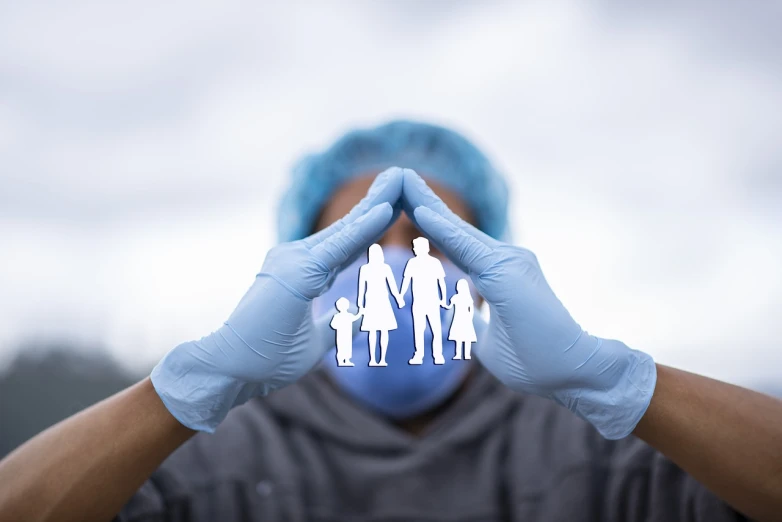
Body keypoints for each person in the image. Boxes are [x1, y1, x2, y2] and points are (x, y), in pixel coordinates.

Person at [0, 121, 781, 522]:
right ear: (306, 268)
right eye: (362, 241)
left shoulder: (603, 455)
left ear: (487, 274)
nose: (399, 262)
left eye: (433, 239)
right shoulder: (212, 459)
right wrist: (185, 391)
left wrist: (618, 382)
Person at [399, 237, 448, 365]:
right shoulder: (412, 263)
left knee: (435, 330)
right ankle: (419, 354)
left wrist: (442, 298)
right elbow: (406, 281)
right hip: (418, 303)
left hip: (432, 302)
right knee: (419, 330)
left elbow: (441, 282)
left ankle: (437, 355)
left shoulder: (434, 263)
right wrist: (400, 295)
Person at [357, 243, 404, 366]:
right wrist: (361, 305)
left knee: (384, 332)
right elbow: (362, 288)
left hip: (383, 302)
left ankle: (382, 358)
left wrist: (398, 298)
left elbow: (392, 286)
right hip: (371, 303)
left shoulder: (385, 268)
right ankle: (373, 358)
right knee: (372, 332)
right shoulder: (365, 269)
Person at [446, 278, 477, 360]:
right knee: (458, 339)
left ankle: (466, 354)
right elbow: (449, 306)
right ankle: (458, 354)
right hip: (457, 320)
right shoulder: (455, 297)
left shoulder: (468, 298)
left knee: (466, 339)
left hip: (465, 320)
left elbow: (471, 309)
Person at [329, 297, 362, 366]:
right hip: (341, 335)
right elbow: (333, 325)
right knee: (341, 348)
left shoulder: (349, 315)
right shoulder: (337, 316)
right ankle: (340, 361)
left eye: (345, 305)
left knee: (347, 348)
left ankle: (346, 360)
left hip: (347, 335)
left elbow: (355, 318)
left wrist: (360, 312)